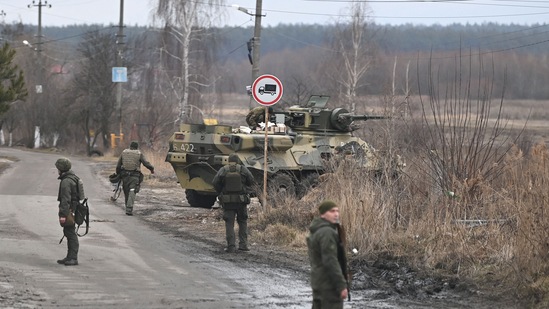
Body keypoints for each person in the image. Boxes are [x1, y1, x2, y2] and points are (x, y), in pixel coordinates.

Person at [307, 200, 349, 309]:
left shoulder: (317, 230)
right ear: (323, 214)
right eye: (332, 211)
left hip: (319, 283)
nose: (336, 214)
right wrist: (341, 285)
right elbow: (330, 260)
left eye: (337, 211)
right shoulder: (327, 233)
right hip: (329, 286)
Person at [212, 153, 254, 253]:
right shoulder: (243, 169)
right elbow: (251, 180)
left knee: (229, 223)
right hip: (241, 201)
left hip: (228, 201)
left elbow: (215, 182)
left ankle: (231, 246)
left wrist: (221, 192)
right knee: (243, 222)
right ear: (238, 161)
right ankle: (243, 245)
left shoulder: (223, 170)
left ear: (228, 161)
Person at [116, 141, 155, 216]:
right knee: (132, 191)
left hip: (124, 175)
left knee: (126, 191)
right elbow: (145, 163)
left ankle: (127, 207)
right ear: (136, 147)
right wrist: (151, 169)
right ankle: (129, 209)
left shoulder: (124, 152)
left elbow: (118, 165)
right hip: (134, 176)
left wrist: (118, 174)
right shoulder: (138, 154)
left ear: (130, 146)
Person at [55, 157, 80, 266]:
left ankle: (73, 258)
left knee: (70, 233)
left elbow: (65, 199)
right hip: (73, 209)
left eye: (58, 168)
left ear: (61, 169)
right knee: (69, 232)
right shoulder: (72, 177)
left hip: (68, 210)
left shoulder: (66, 181)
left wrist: (63, 215)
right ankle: (70, 257)